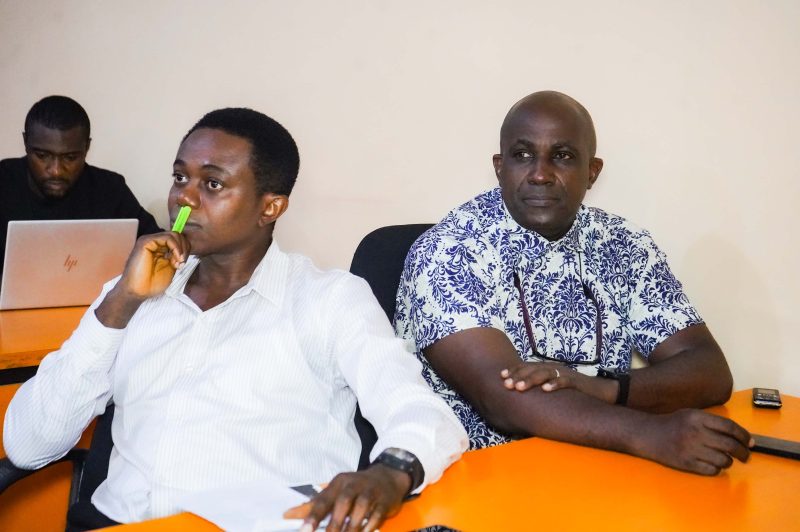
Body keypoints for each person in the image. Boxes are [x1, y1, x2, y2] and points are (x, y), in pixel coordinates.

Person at [4, 108, 467, 532]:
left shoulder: (329, 300)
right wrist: (120, 303)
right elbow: (27, 445)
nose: (184, 198)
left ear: (270, 207)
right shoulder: (129, 295)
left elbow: (424, 415)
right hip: (121, 523)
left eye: (212, 184)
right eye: (180, 177)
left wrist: (389, 474)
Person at [395, 90, 752, 476]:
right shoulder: (450, 250)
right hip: (482, 479)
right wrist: (650, 434)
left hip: (604, 470)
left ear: (592, 172)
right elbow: (501, 399)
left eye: (562, 156)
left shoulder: (624, 244)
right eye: (522, 155)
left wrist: (605, 388)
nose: (540, 174)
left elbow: (709, 371)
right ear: (500, 167)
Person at [0, 95, 161, 278]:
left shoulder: (109, 189)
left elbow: (154, 244)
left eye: (70, 158)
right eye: (42, 156)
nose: (56, 171)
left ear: (87, 147)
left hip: (93, 297)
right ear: (25, 142)